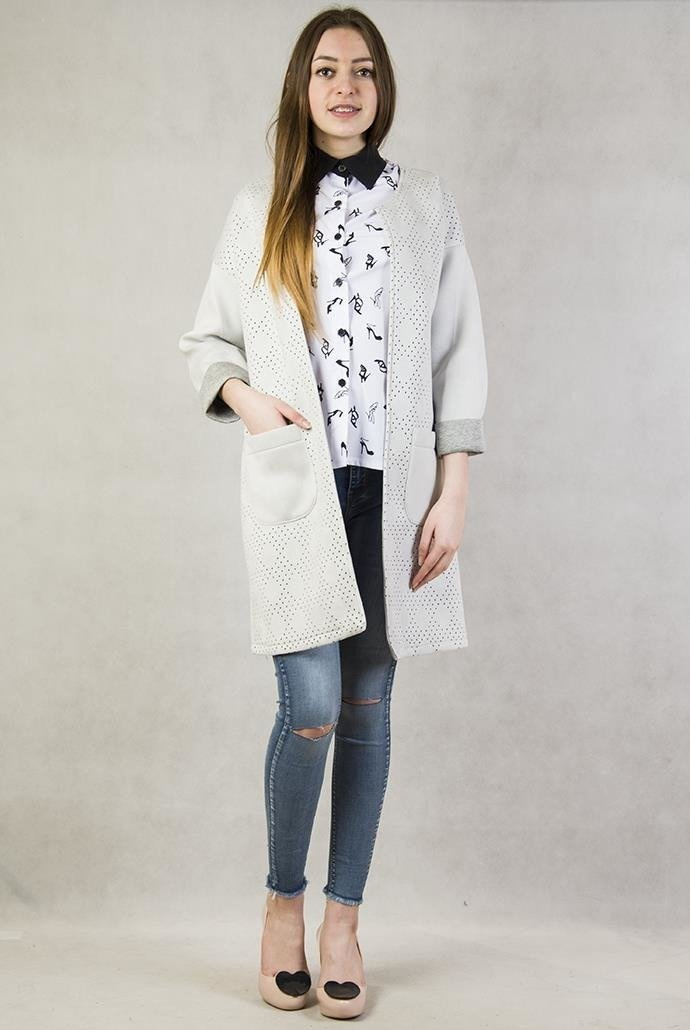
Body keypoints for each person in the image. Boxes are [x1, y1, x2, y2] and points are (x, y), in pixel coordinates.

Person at [178, 6, 488, 1019]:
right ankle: (283, 904)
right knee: (309, 704)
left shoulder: (426, 206)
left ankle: (345, 919)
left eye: (361, 69)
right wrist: (248, 401)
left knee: (366, 707)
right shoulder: (262, 207)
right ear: (301, 88)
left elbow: (457, 350)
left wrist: (452, 487)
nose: (344, 86)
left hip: (389, 495)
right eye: (325, 70)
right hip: (300, 492)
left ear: (381, 87)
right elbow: (207, 342)